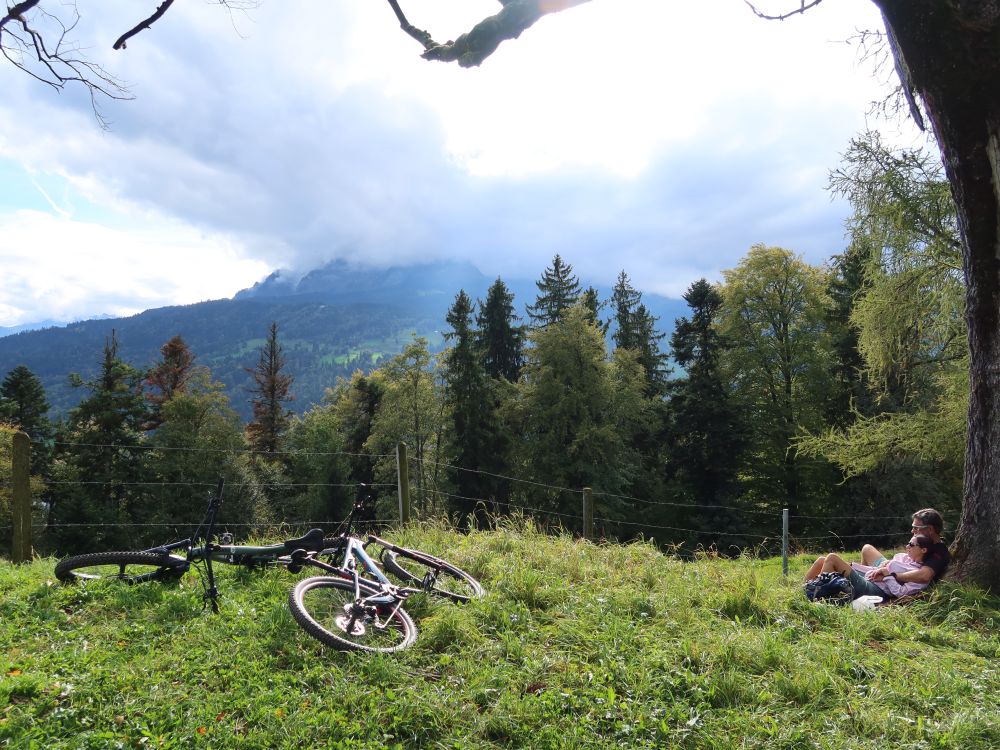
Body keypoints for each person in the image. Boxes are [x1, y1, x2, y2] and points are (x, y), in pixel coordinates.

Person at [804, 508, 950, 600]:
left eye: (916, 528)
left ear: (930, 529)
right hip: (887, 572)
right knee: (866, 548)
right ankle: (807, 589)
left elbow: (924, 576)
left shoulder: (938, 551)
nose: (912, 531)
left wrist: (890, 574)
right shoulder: (923, 542)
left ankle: (817, 593)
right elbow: (906, 561)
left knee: (831, 559)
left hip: (887, 582)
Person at [850, 535, 933, 599]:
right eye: (908, 543)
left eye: (911, 544)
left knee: (836, 561)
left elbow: (901, 592)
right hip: (871, 574)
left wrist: (888, 576)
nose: (907, 546)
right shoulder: (905, 557)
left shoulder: (918, 574)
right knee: (866, 548)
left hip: (879, 587)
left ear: (923, 550)